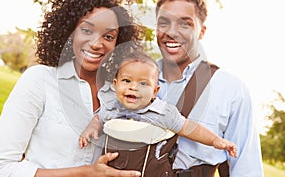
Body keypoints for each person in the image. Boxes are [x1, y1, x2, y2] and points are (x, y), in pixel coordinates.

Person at [0, 0, 143, 177]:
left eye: (108, 36)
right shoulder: (39, 80)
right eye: (86, 30)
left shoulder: (119, 95)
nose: (96, 43)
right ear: (69, 32)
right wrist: (87, 173)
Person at [155, 0, 264, 176]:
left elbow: (246, 167)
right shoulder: (130, 79)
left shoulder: (230, 88)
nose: (171, 32)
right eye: (164, 23)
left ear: (201, 31)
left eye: (185, 24)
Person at [78, 49, 237, 176]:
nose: (133, 87)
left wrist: (215, 140)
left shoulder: (162, 113)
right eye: (127, 81)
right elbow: (99, 118)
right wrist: (91, 128)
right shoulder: (111, 108)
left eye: (143, 83)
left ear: (155, 91)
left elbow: (189, 128)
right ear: (115, 84)